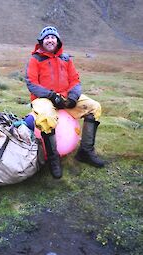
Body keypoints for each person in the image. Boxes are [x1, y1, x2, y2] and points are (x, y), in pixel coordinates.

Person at [25, 26, 105, 179]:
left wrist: (73, 97)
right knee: (46, 118)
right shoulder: (35, 59)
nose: (50, 40)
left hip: (66, 97)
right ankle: (53, 160)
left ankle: (85, 151)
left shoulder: (66, 59)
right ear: (42, 41)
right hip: (43, 99)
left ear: (58, 40)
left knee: (94, 108)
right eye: (47, 37)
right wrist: (51, 96)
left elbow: (75, 80)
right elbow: (31, 83)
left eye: (53, 37)